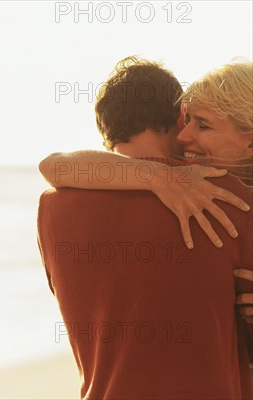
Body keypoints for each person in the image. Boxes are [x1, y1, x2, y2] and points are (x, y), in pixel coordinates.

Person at [37, 57, 253, 398]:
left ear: (108, 136)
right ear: (173, 119)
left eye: (202, 125)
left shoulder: (51, 208)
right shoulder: (232, 200)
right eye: (187, 121)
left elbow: (53, 165)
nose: (187, 136)